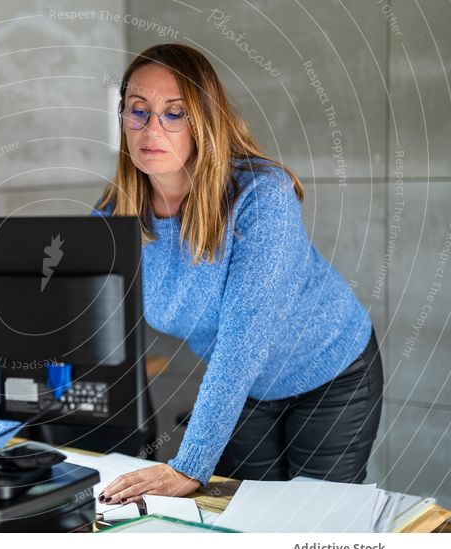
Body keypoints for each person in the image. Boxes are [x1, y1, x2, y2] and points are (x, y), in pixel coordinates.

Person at [94, 43, 383, 506]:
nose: (152, 128)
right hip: (245, 388)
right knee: (245, 519)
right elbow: (76, 324)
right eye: (138, 111)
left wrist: (188, 465)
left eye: (175, 113)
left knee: (315, 522)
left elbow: (243, 340)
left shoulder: (260, 196)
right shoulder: (114, 217)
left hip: (331, 372)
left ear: (204, 122)